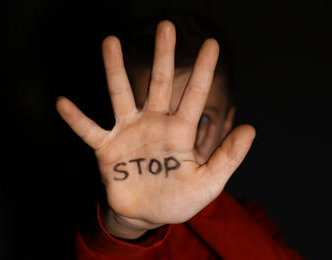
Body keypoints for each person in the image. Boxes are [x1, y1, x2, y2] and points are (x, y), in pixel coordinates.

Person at [56, 13, 303, 260]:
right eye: (155, 121)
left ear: (227, 123)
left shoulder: (250, 218)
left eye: (202, 118)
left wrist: (206, 202)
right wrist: (126, 226)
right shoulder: (77, 209)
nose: (176, 140)